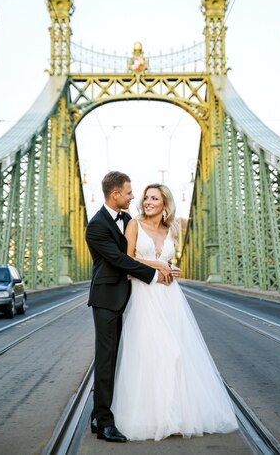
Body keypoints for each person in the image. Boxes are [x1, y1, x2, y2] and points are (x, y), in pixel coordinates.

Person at [111, 183, 239, 441]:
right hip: (146, 294)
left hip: (170, 296)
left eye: (154, 198)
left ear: (164, 204)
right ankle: (150, 418)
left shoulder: (171, 230)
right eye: (146, 197)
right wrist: (159, 265)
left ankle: (174, 415)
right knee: (156, 353)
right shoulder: (134, 225)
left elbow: (168, 261)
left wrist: (171, 267)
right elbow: (127, 258)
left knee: (177, 354)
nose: (147, 201)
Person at [85, 171, 173, 443]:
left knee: (141, 355)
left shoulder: (127, 220)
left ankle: (104, 413)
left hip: (136, 295)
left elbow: (137, 248)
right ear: (115, 195)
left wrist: (160, 263)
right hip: (108, 298)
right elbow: (120, 260)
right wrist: (158, 269)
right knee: (107, 358)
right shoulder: (96, 226)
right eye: (129, 193)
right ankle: (104, 422)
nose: (133, 197)